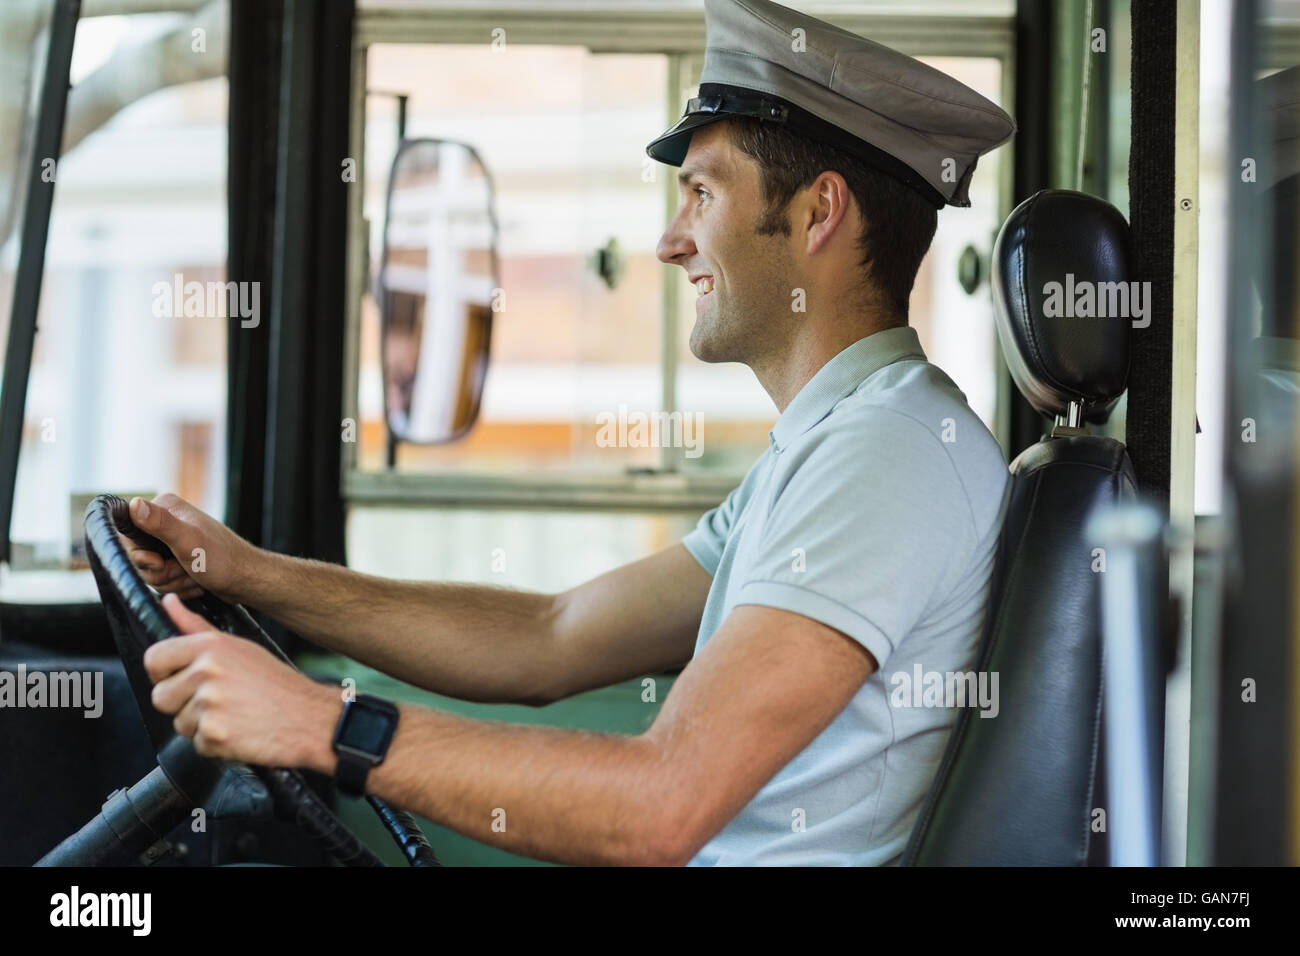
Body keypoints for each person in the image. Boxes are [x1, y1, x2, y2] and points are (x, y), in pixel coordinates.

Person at [128, 0, 1015, 866]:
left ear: (819, 213)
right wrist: (246, 572)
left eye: (701, 193)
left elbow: (659, 806)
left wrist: (319, 721)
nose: (670, 243)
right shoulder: (837, 442)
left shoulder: (887, 457)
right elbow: (552, 637)